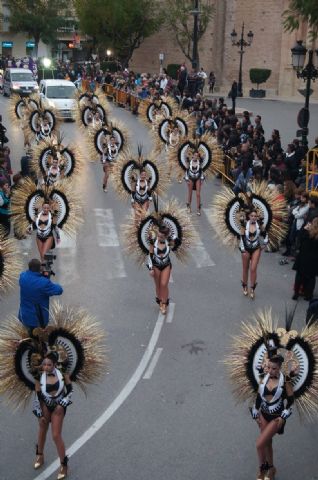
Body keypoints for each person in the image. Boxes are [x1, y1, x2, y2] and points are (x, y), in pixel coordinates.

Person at [251, 355, 294, 480]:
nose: (270, 371)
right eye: (269, 367)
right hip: (263, 414)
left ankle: (262, 470)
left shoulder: (285, 381)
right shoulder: (264, 377)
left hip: (276, 417)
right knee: (267, 443)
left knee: (259, 444)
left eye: (274, 368)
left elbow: (291, 400)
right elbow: (259, 396)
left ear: (280, 368)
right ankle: (272, 469)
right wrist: (255, 409)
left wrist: (284, 415)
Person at [32, 351, 72, 479]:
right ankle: (40, 455)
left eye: (49, 364)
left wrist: (62, 403)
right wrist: (40, 414)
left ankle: (64, 465)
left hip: (58, 408)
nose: (46, 367)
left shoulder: (63, 374)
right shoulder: (39, 377)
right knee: (42, 429)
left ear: (55, 364)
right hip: (45, 405)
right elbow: (38, 395)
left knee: (56, 435)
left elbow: (70, 390)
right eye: (44, 364)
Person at [18, 258, 63, 334]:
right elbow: (59, 290)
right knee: (38, 342)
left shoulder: (22, 277)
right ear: (40, 268)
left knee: (26, 338)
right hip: (38, 321)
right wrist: (45, 278)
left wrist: (42, 275)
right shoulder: (44, 283)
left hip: (24, 316)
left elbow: (32, 280)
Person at [239, 208, 268, 298]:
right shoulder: (244, 224)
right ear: (249, 216)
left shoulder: (259, 224)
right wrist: (243, 249)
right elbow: (241, 237)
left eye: (255, 216)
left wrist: (265, 243)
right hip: (246, 248)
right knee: (245, 268)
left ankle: (252, 288)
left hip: (256, 248)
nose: (253, 217)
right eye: (252, 216)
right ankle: (244, 286)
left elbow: (265, 234)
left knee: (253, 269)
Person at [147, 225, 175, 315]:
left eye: (161, 236)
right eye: (158, 235)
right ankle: (160, 301)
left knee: (164, 284)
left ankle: (164, 303)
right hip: (156, 265)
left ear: (166, 236)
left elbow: (178, 241)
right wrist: (151, 268)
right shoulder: (153, 241)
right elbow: (150, 255)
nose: (159, 237)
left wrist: (172, 236)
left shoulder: (169, 242)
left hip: (166, 265)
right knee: (158, 285)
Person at [292, 217, 318, 301]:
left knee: (299, 276)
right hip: (314, 259)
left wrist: (304, 229)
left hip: (303, 257)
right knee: (311, 278)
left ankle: (296, 293)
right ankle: (308, 295)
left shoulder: (306, 232)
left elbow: (299, 240)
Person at [185, 150, 205, 215]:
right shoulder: (189, 162)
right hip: (190, 178)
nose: (196, 157)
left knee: (198, 194)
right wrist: (187, 179)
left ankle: (198, 209)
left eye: (197, 156)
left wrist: (202, 179)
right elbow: (187, 171)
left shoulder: (200, 163)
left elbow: (201, 171)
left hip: (198, 178)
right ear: (193, 155)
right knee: (190, 193)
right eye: (195, 155)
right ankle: (189, 207)